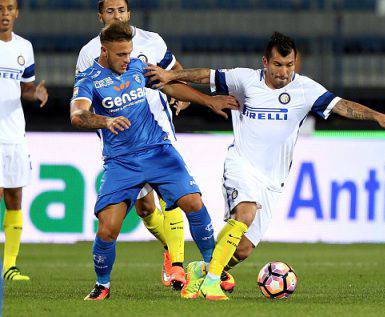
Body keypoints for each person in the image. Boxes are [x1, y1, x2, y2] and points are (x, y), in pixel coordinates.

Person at [145, 32, 385, 300]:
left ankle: (202, 269)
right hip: (241, 164)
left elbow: (342, 106)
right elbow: (204, 75)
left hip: (273, 180)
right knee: (244, 213)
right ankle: (211, 282)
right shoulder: (245, 80)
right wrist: (170, 76)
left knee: (243, 249)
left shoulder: (305, 89)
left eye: (289, 65)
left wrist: (377, 116)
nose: (284, 72)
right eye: (278, 65)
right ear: (265, 62)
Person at [70, 22, 239, 300]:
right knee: (108, 228)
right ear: (104, 51)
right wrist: (106, 120)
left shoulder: (137, 67)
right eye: (121, 55)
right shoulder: (89, 80)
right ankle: (102, 285)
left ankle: (214, 269)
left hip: (158, 150)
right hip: (121, 161)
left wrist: (208, 102)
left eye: (129, 53)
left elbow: (170, 87)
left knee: (194, 203)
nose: (128, 60)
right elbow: (78, 115)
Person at [76, 0, 191, 290]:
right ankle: (171, 248)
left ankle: (177, 265)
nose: (117, 15)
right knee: (144, 207)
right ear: (100, 15)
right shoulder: (89, 53)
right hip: (122, 139)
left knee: (170, 192)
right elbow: (85, 101)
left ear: (129, 13)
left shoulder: (152, 41)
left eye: (121, 10)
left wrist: (181, 94)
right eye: (110, 11)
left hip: (157, 124)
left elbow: (174, 69)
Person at [0, 0, 48, 281]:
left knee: (14, 197)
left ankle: (9, 266)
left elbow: (25, 88)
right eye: (0, 8)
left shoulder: (24, 47)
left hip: (15, 134)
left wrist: (36, 95)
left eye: (9, 8)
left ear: (17, 13)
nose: (4, 14)